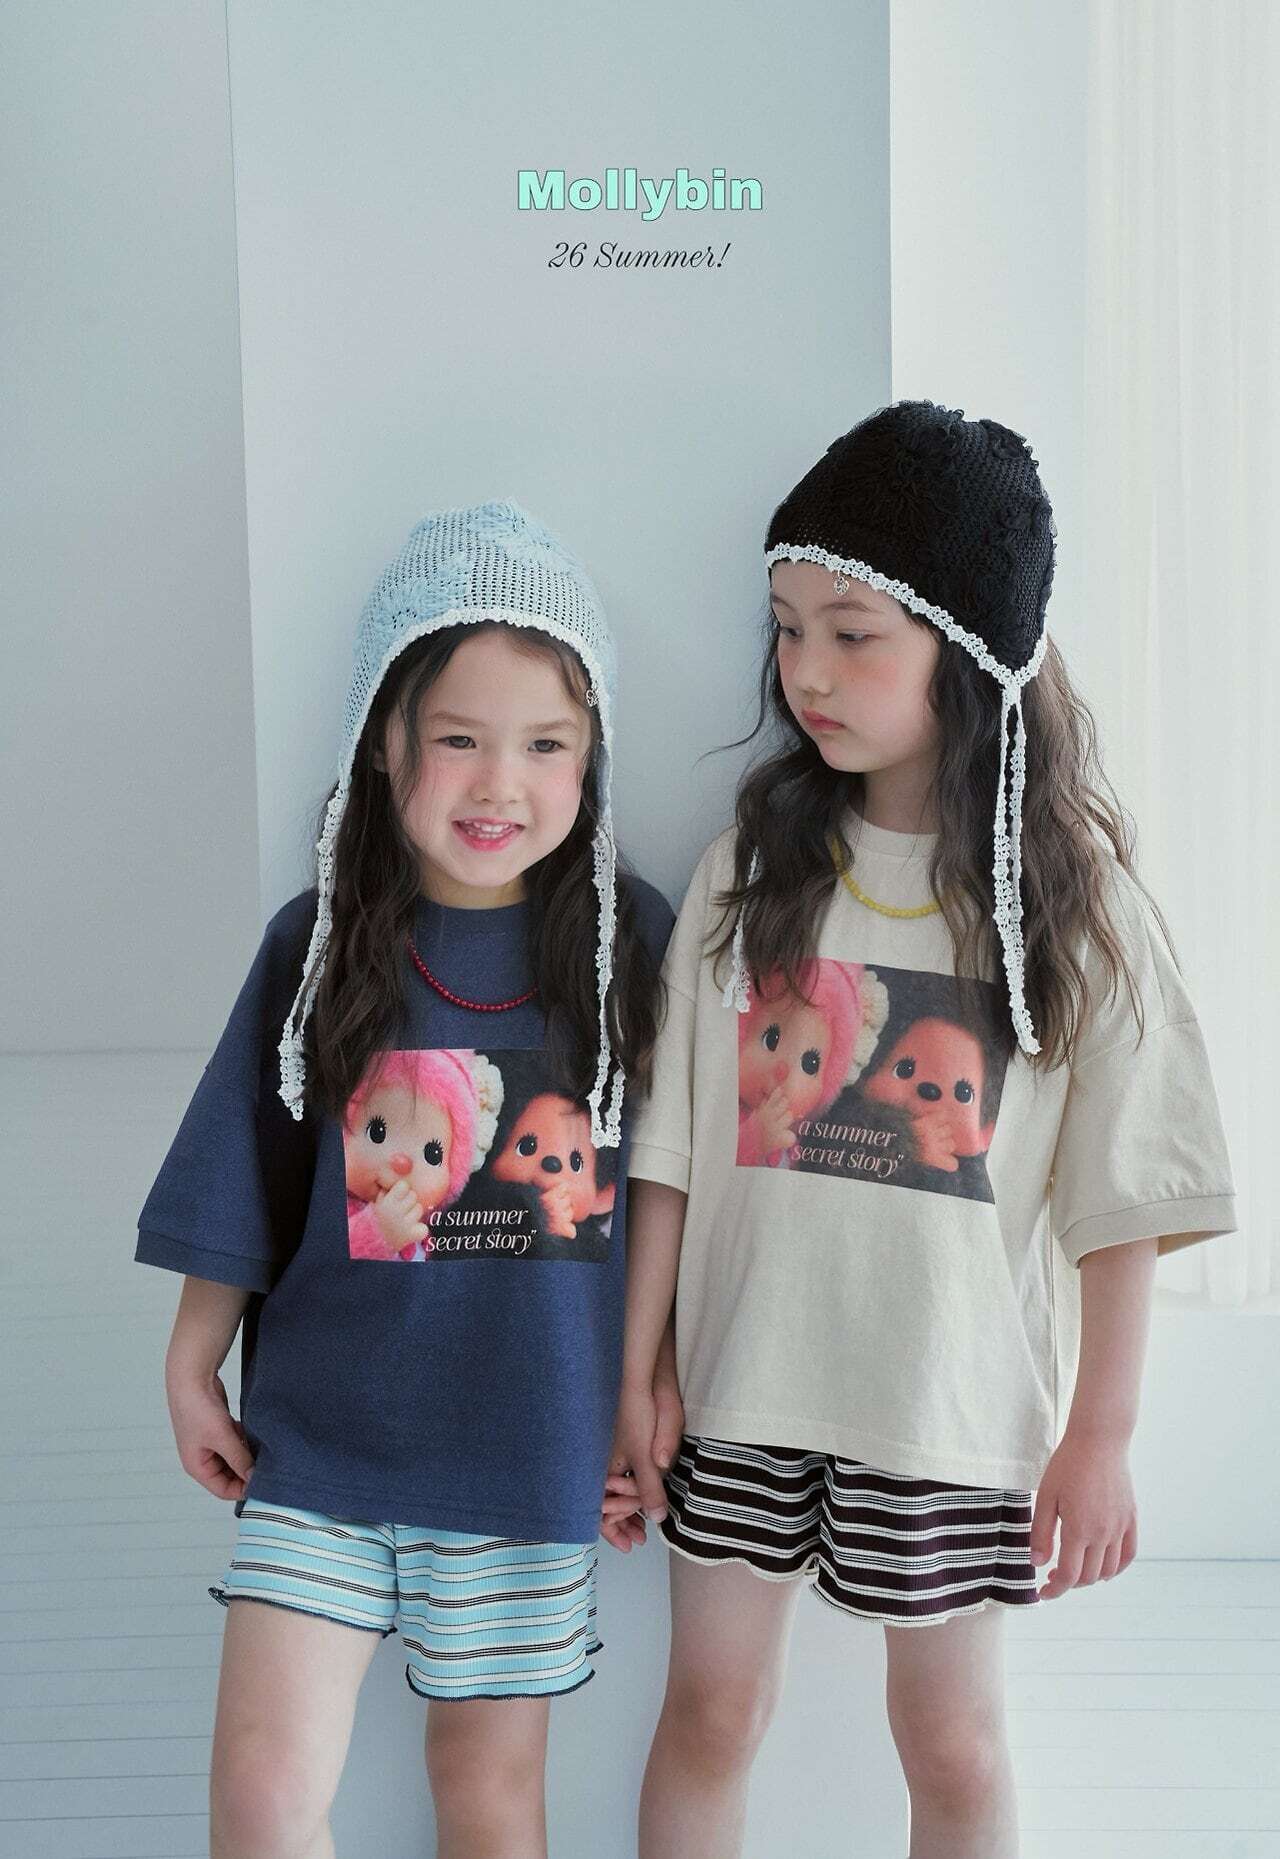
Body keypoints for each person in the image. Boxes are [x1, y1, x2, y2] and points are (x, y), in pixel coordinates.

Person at [601, 403, 1237, 1859]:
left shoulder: (1074, 909)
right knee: (709, 1714)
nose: (806, 672)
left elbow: (1126, 1203)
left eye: (853, 634)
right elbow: (672, 1155)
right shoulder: (750, 871)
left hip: (947, 1409)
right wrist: (638, 1371)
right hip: (742, 1386)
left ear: (967, 649)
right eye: (786, 630)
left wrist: (1102, 1438)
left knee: (952, 1746)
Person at [136, 501, 674, 1859]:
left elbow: (675, 1198)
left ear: (593, 755)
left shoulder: (631, 948)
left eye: (546, 745)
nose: (500, 784)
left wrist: (644, 1401)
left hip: (530, 1452)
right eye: (459, 739)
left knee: (488, 1799)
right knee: (263, 1793)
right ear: (386, 742)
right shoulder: (320, 943)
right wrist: (193, 1363)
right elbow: (245, 1166)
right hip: (319, 1445)